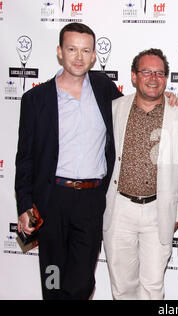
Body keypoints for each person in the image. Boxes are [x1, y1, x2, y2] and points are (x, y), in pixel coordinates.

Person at [15, 22, 123, 299]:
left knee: (81, 282)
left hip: (90, 200)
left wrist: (165, 99)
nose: (78, 56)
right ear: (60, 52)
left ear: (94, 55)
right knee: (53, 278)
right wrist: (25, 204)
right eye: (72, 49)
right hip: (51, 200)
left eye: (85, 50)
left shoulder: (103, 88)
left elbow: (135, 111)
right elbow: (25, 158)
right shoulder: (35, 99)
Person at [103, 48, 178, 300]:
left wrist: (177, 212)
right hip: (119, 207)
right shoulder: (114, 109)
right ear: (133, 76)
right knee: (122, 287)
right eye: (146, 72)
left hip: (159, 210)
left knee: (153, 288)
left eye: (160, 73)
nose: (153, 78)